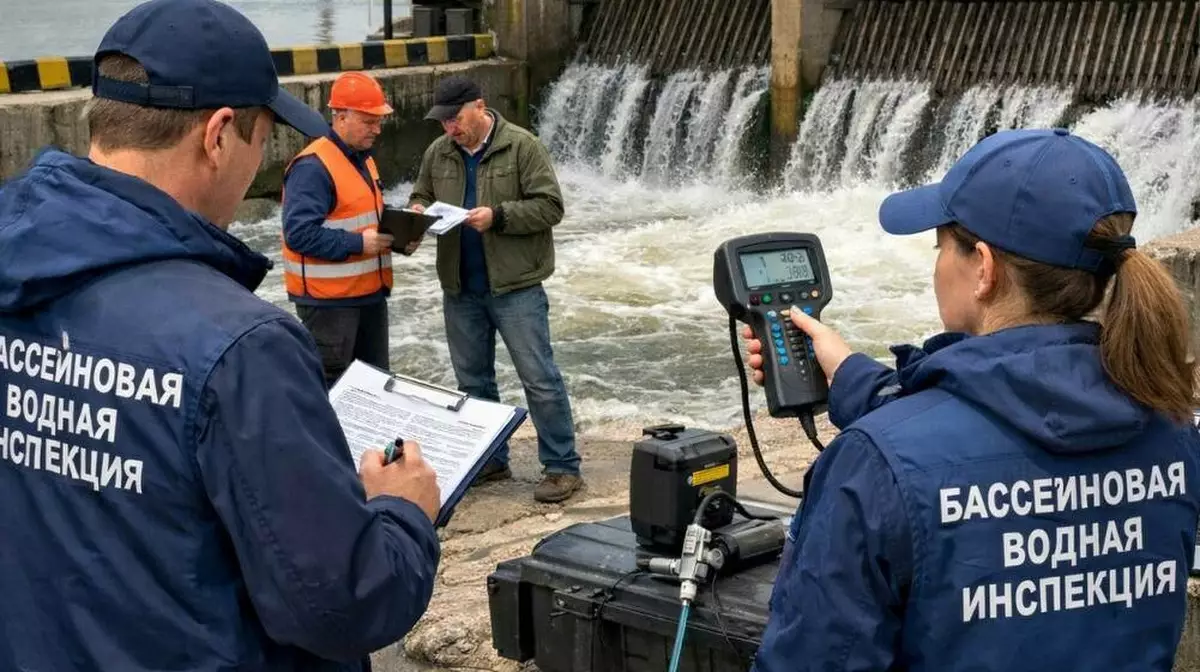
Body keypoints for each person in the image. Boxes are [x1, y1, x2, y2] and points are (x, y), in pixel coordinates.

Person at [0, 1, 442, 670]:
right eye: (264, 140)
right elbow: (343, 604)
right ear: (218, 134)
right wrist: (403, 513)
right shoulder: (241, 346)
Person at [744, 128, 1200, 671]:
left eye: (940, 247)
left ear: (983, 268)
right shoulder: (1173, 433)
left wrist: (879, 438)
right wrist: (849, 375)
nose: (937, 266)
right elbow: (987, 441)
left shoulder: (872, 465)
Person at [407, 75, 584, 503]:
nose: (450, 128)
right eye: (443, 121)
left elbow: (550, 206)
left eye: (455, 119)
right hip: (460, 286)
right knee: (473, 382)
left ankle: (562, 467)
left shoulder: (522, 146)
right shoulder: (439, 152)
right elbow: (422, 192)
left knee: (539, 379)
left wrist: (499, 216)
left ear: (480, 106)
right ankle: (490, 460)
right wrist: (416, 210)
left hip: (515, 286)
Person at [281, 70, 407, 388]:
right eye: (369, 121)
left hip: (367, 296)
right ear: (340, 117)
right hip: (330, 306)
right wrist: (357, 243)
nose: (377, 129)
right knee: (333, 389)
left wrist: (404, 229)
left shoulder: (362, 159)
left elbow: (363, 216)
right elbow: (299, 234)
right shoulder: (312, 167)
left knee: (376, 386)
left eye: (379, 121)